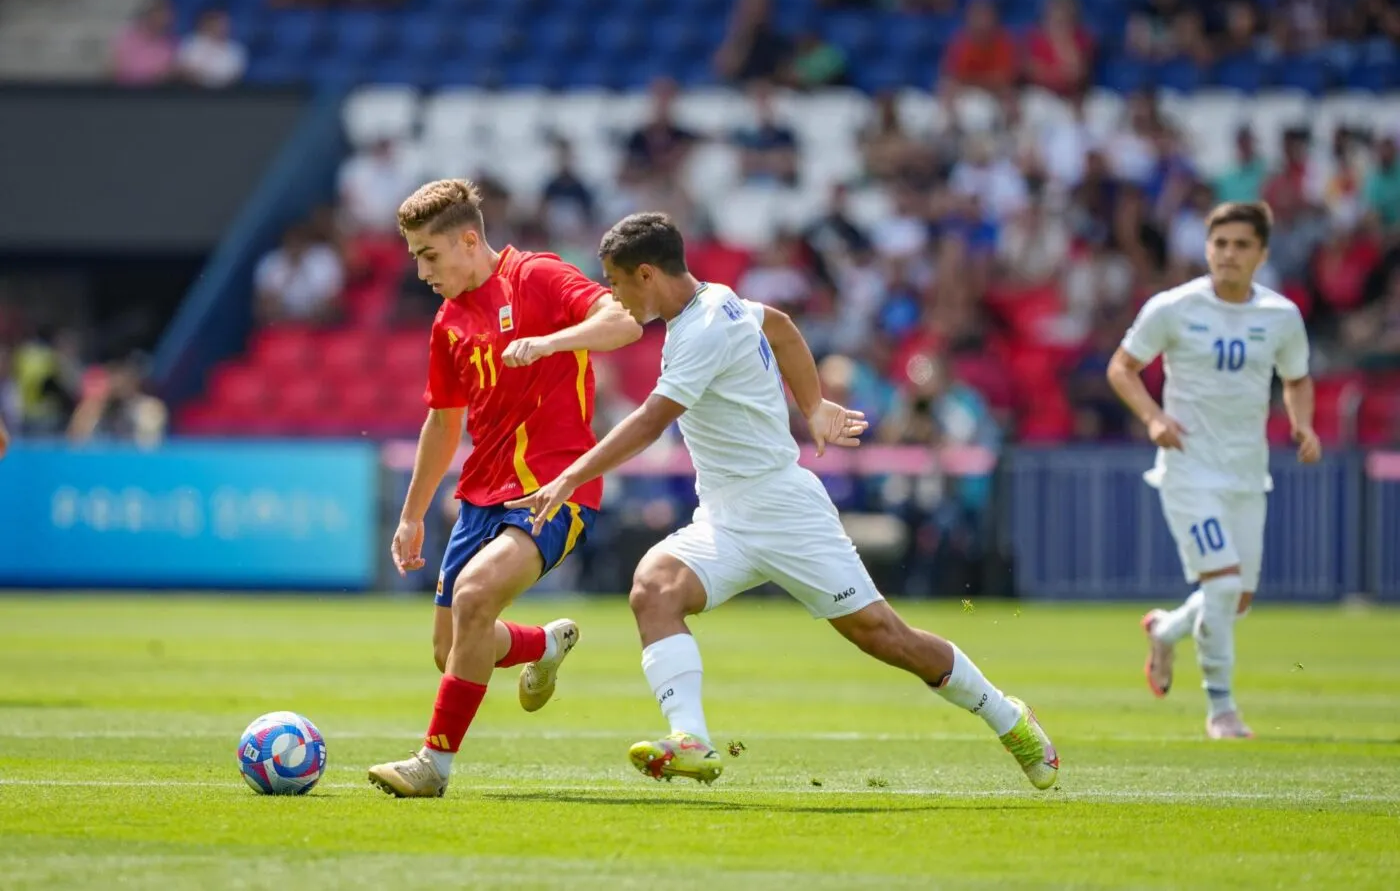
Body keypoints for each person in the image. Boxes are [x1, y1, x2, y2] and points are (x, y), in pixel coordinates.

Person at [508, 213, 1058, 790]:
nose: (613, 295)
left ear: (646, 273)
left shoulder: (700, 331)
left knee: (883, 637)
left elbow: (650, 423)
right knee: (654, 587)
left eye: (615, 282)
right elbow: (784, 326)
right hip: (723, 516)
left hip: (783, 509)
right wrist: (814, 406)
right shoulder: (718, 301)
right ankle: (691, 739)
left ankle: (1007, 715)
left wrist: (568, 478)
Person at [366, 180, 642, 798]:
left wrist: (550, 341)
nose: (420, 271)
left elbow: (622, 322)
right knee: (451, 648)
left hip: (555, 487)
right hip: (480, 498)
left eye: (428, 255)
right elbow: (443, 422)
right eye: (413, 256)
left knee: (473, 597)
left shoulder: (537, 276)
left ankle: (432, 766)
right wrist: (411, 516)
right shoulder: (447, 321)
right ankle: (542, 644)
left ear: (469, 240)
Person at [1106, 201, 1320, 740]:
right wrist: (1154, 418)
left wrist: (1303, 425)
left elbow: (1296, 377)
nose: (1229, 254)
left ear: (1262, 254)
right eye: (1220, 243)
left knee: (1237, 599)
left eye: (1241, 245)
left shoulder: (1280, 316)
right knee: (1223, 585)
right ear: (1207, 248)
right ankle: (1221, 708)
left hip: (1248, 474)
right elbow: (1123, 367)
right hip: (1188, 470)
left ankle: (1166, 628)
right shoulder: (1173, 308)